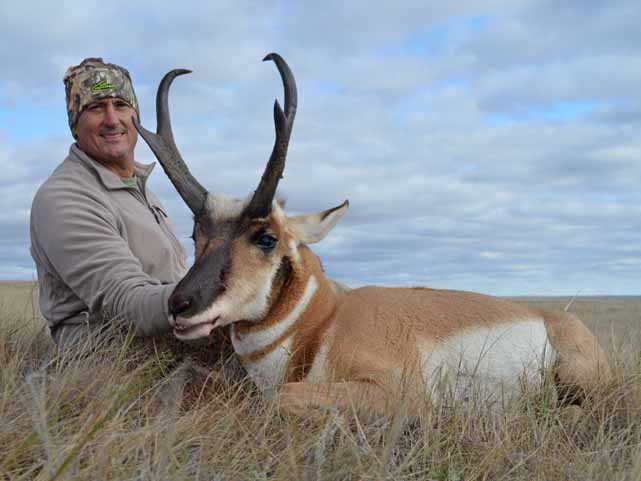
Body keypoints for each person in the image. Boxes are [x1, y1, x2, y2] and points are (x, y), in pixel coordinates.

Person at [30, 58, 188, 349]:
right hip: (113, 364)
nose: (112, 119)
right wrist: (212, 294)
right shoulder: (65, 198)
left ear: (136, 116)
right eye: (96, 107)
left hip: (173, 338)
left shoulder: (139, 191)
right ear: (74, 123)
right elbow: (125, 303)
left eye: (121, 105)